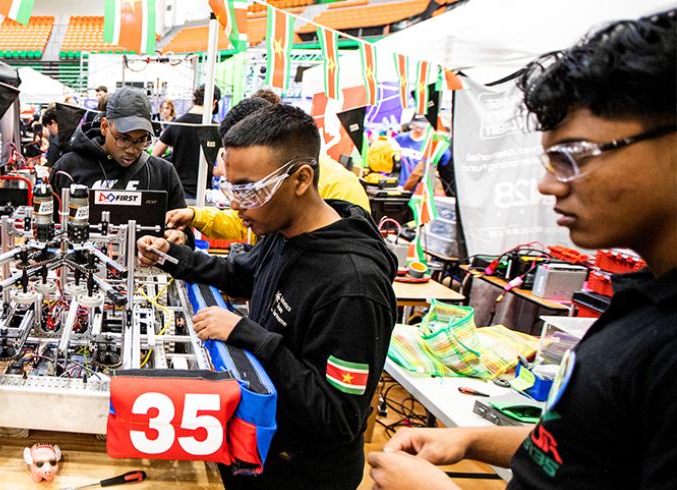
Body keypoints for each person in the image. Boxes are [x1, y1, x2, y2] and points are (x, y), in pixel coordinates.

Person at [368, 10, 677, 490]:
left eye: (572, 157)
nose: (548, 184)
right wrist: (473, 440)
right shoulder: (646, 299)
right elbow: (593, 442)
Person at [137, 103, 398, 489]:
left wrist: (249, 335)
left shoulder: (353, 287)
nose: (235, 204)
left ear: (301, 179)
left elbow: (339, 418)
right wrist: (170, 255)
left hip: (301, 474)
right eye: (230, 187)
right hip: (259, 447)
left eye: (249, 190)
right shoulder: (285, 231)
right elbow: (240, 274)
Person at [165, 97, 371, 244]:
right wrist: (194, 215)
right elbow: (243, 223)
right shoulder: (275, 197)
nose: (237, 204)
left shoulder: (341, 188)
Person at [51, 87, 187, 213]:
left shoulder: (163, 172)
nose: (132, 150)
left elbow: (182, 232)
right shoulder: (67, 168)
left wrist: (177, 237)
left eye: (141, 140)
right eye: (124, 139)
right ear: (104, 127)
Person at [152, 84, 222, 199]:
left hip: (176, 191)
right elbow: (220, 170)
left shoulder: (177, 124)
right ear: (214, 102)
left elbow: (154, 155)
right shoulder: (214, 128)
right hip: (202, 194)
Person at [395, 115, 449, 188]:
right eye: (416, 126)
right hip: (398, 186)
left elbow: (445, 161)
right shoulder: (400, 139)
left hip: (421, 190)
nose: (418, 130)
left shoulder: (432, 143)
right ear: (411, 124)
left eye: (422, 127)